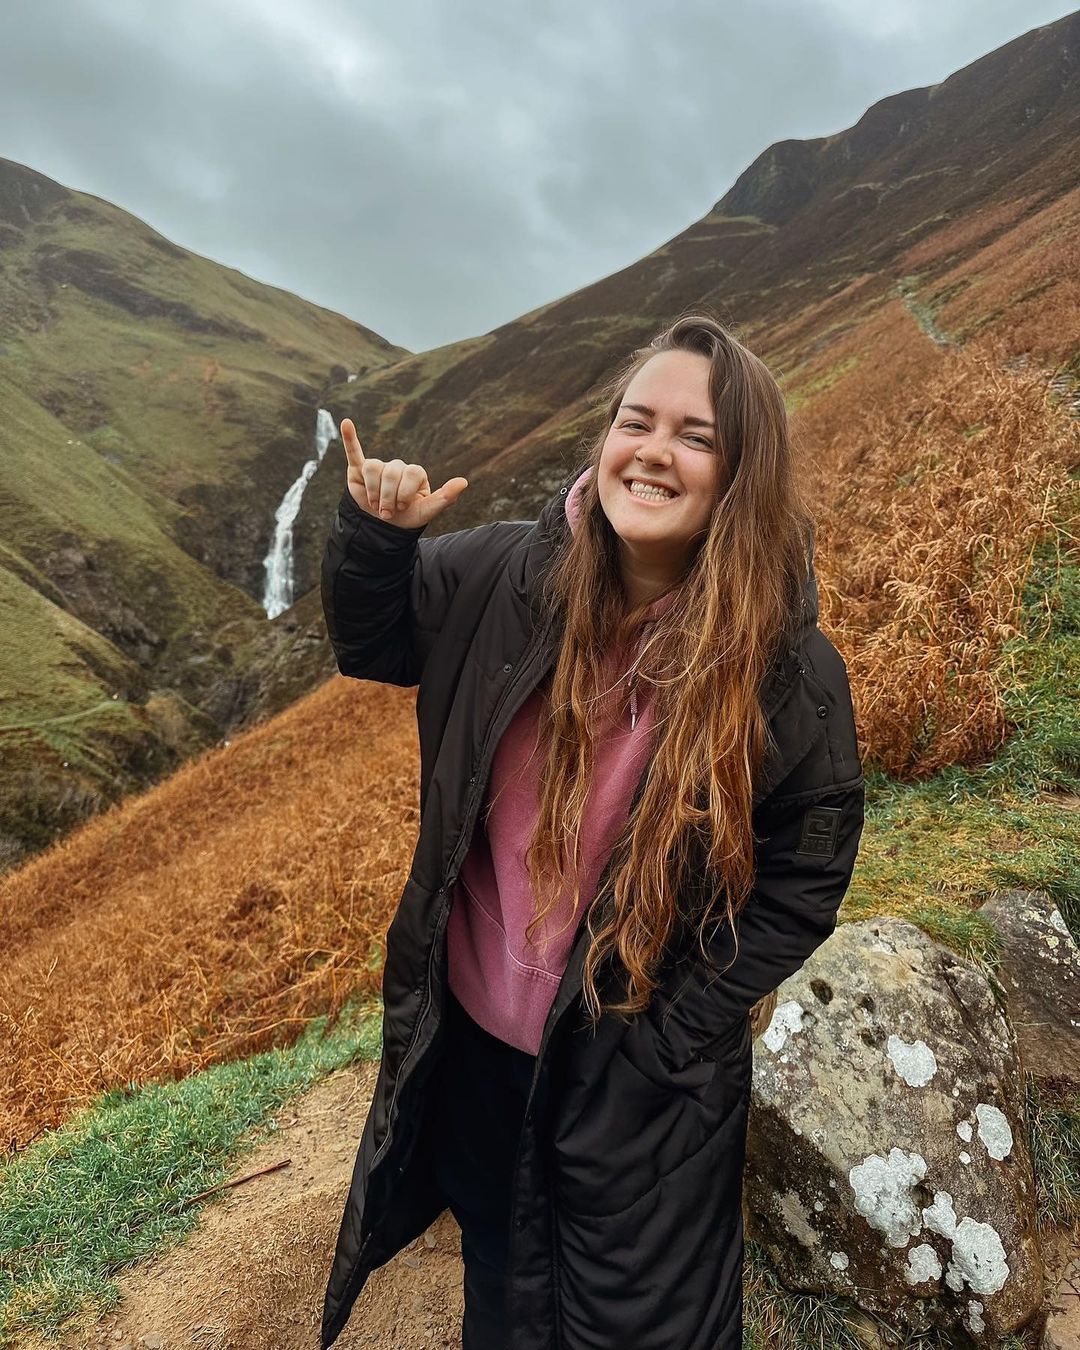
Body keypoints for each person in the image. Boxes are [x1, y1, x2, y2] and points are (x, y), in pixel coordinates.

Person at [319, 312, 865, 1350]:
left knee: (642, 1317)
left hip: (640, 1081)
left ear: (741, 474)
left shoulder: (785, 667)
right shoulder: (502, 581)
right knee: (502, 1290)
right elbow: (377, 640)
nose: (653, 451)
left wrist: (667, 1037)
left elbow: (807, 866)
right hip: (479, 1053)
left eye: (696, 436)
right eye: (634, 420)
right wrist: (377, 542)